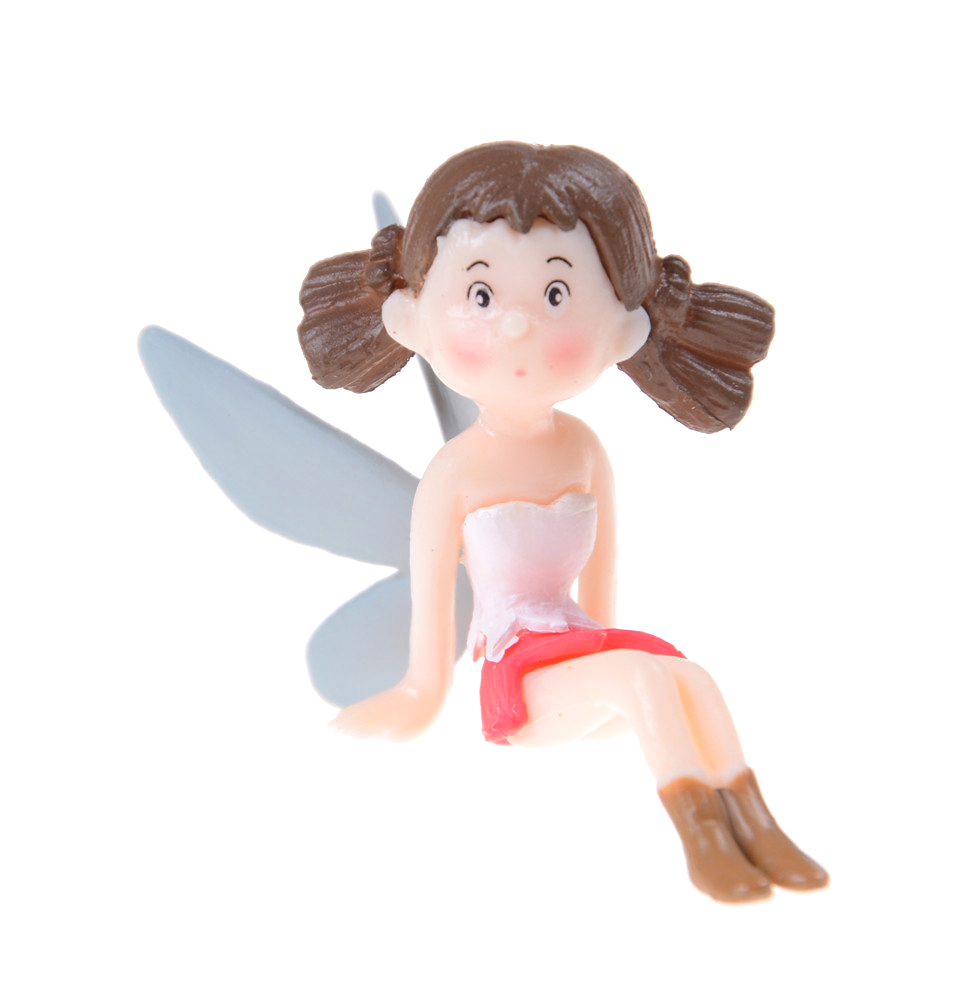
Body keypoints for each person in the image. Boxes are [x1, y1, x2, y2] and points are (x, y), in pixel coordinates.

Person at [297, 142, 827, 903]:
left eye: (556, 294)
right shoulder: (454, 475)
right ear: (412, 318)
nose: (517, 326)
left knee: (691, 677)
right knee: (644, 677)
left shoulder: (584, 451)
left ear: (623, 331)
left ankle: (756, 824)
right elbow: (430, 642)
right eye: (481, 295)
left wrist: (613, 668)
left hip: (579, 652)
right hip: (517, 678)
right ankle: (703, 839)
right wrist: (414, 698)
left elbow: (605, 607)